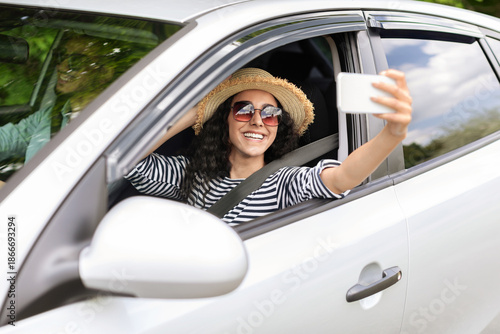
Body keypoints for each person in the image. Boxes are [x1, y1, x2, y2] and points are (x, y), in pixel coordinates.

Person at [125, 68, 412, 225]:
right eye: (243, 110)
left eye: (271, 114)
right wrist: (200, 110)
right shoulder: (191, 174)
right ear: (223, 120)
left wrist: (393, 134)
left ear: (279, 126)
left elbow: (342, 178)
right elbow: (129, 158)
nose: (258, 120)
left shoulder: (282, 183)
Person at [0, 33, 118, 164]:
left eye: (77, 61)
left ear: (105, 72)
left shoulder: (113, 123)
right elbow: (7, 139)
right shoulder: (49, 116)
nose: (61, 66)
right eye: (60, 56)